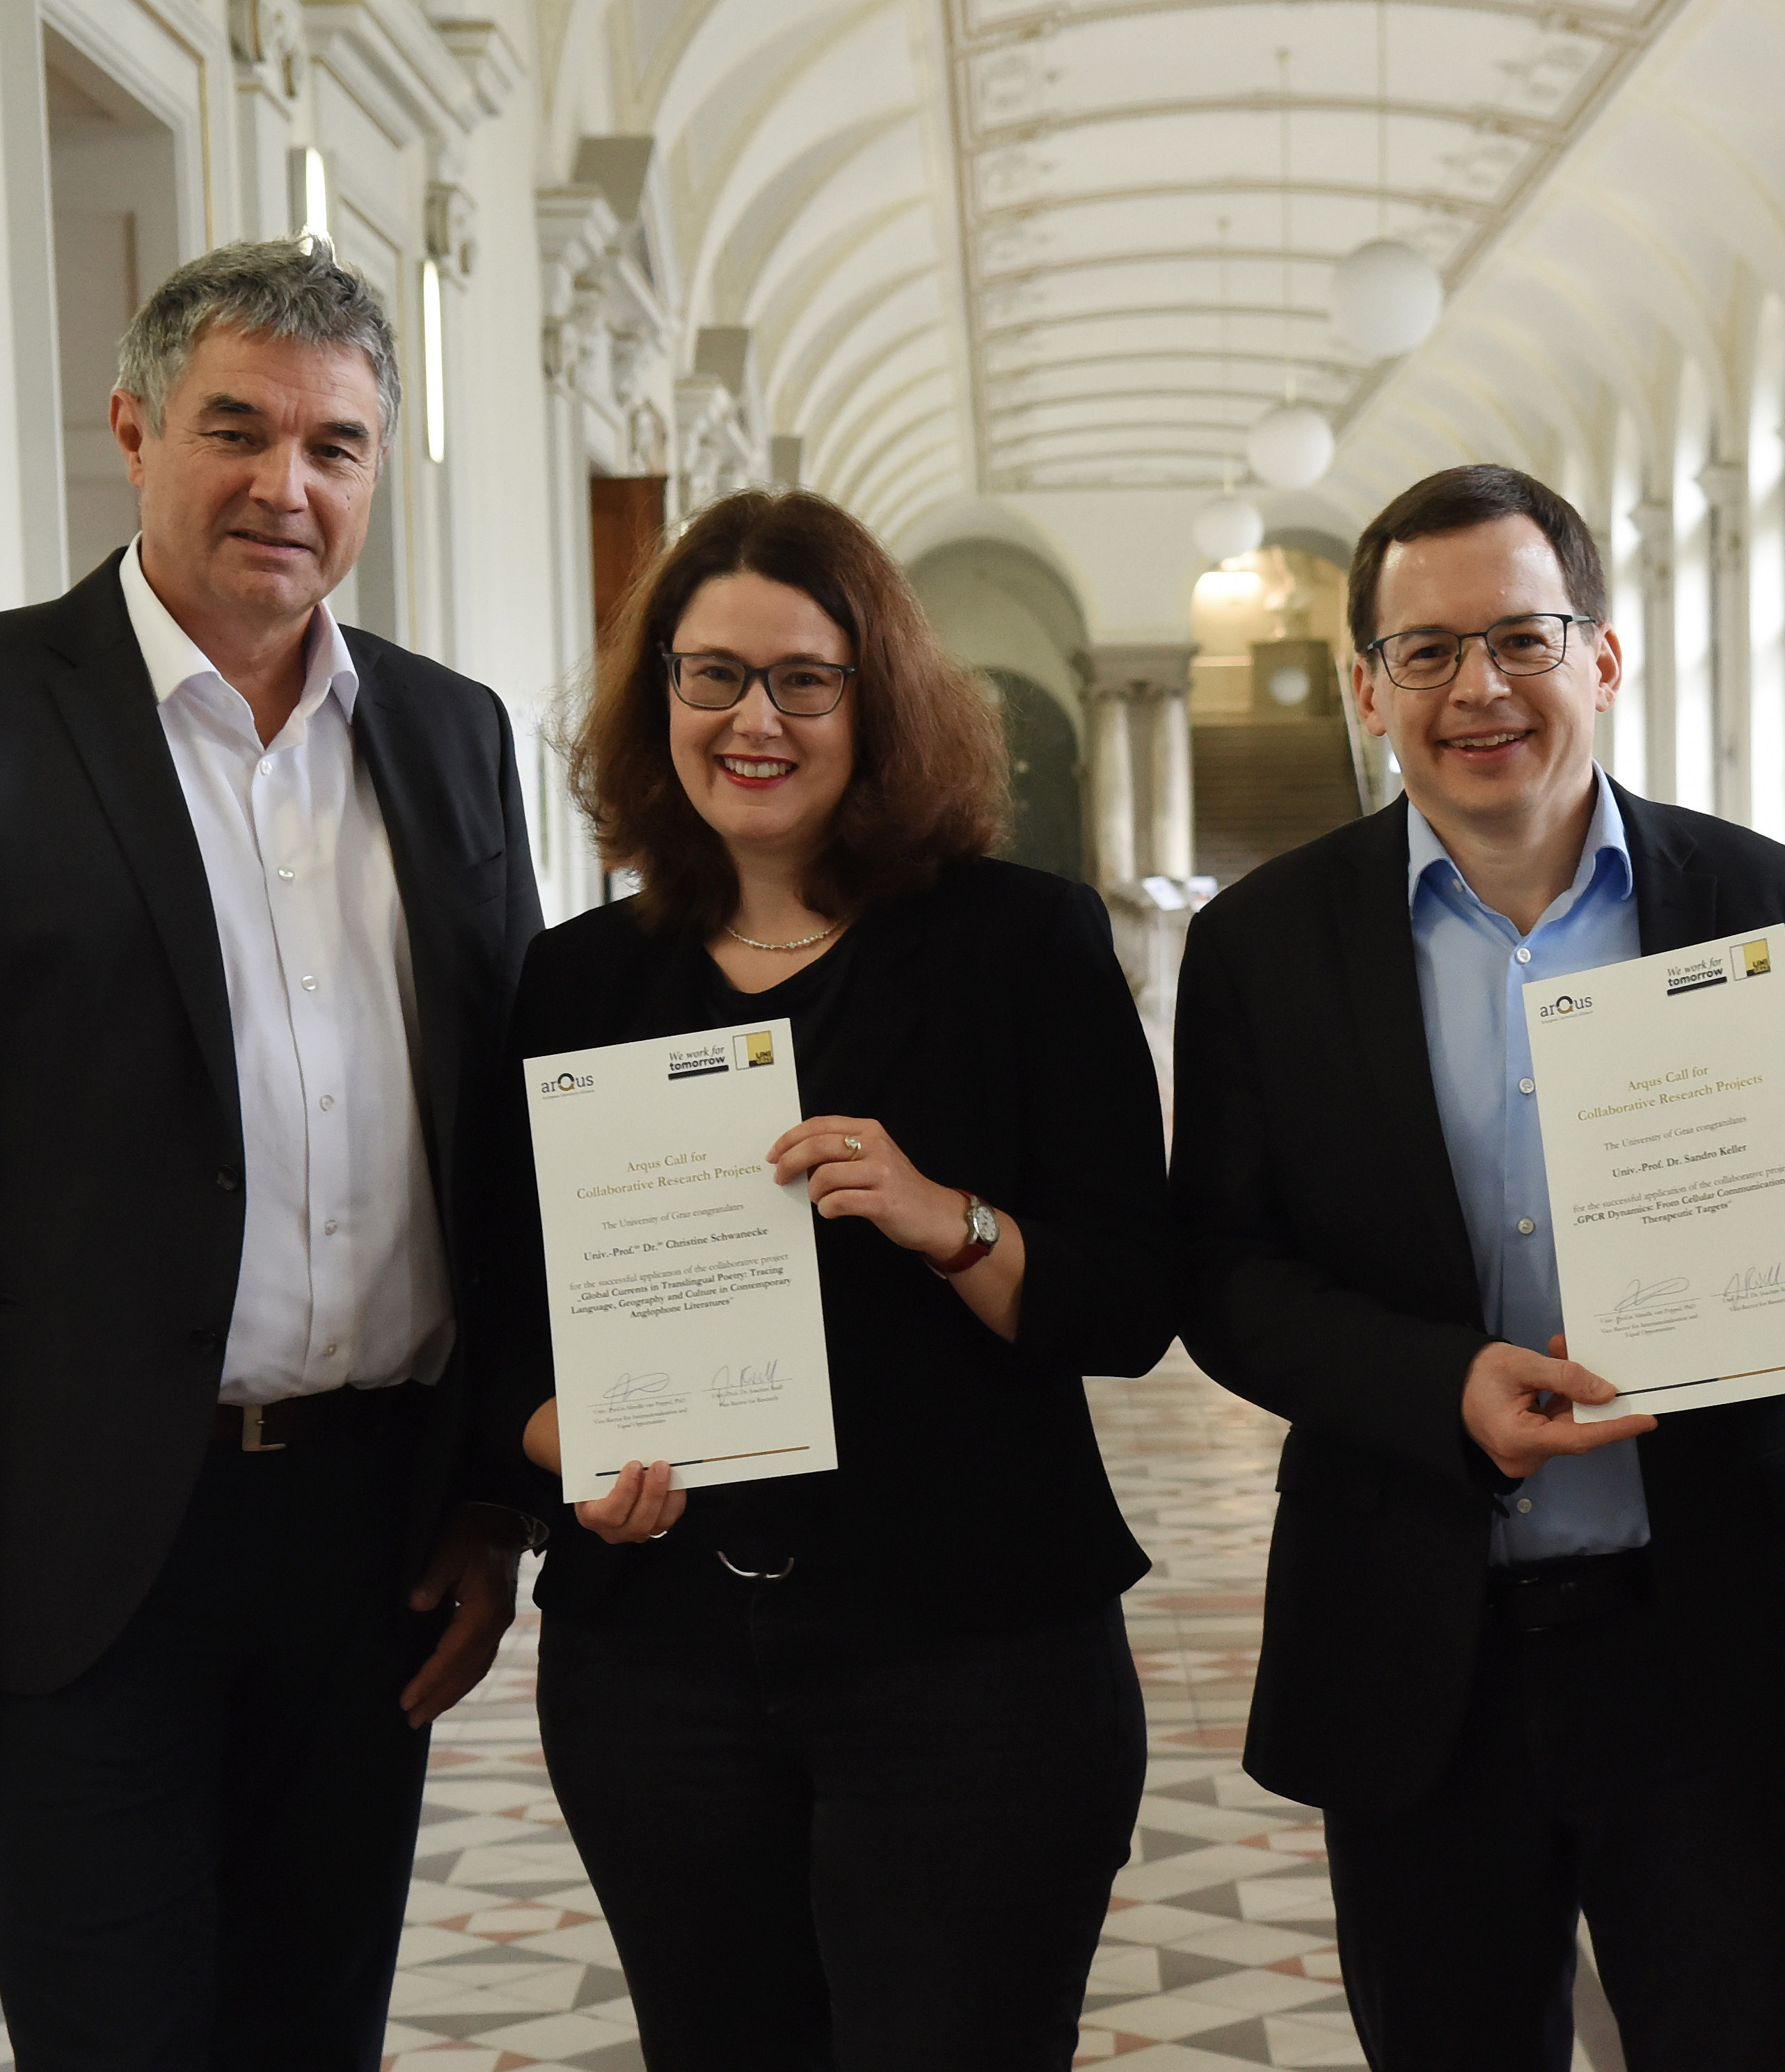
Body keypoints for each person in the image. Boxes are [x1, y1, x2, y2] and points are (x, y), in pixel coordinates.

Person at [0, 239, 543, 2068]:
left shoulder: (448, 738)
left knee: (316, 2032)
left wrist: (486, 1498)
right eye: (237, 429)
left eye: (336, 447)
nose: (285, 486)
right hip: (75, 1548)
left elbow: (503, 1139)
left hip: (373, 1534)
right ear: (133, 429)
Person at [1170, 463, 1785, 2071]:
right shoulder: (1262, 944)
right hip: (1413, 1646)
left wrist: (1721, 1322)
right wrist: (1437, 1382)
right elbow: (1224, 1275)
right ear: (1365, 686)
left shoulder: (1768, 910)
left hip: (1707, 1632)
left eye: (1522, 639)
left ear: (1601, 658)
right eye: (1428, 650)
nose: (1479, 690)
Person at [478, 487, 1175, 2071]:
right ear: (659, 699)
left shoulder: (1023, 944)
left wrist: (951, 1223)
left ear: (881, 698)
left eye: (806, 677)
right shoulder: (576, 981)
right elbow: (497, 1329)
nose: (755, 719)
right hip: (657, 1669)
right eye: (711, 674)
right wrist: (567, 1447)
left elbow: (1134, 1301)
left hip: (975, 1661)